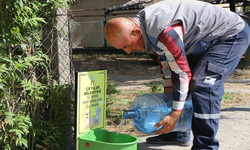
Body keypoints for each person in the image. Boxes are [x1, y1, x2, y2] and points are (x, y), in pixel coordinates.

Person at [104, 0, 250, 149]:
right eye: (122, 49)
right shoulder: (146, 28)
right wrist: (169, 106)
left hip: (230, 35)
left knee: (203, 85)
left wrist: (174, 114)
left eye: (127, 46)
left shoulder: (163, 31)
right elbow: (169, 71)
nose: (128, 52)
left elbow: (182, 73)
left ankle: (206, 145)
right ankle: (178, 132)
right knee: (179, 85)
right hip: (200, 40)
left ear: (136, 32)